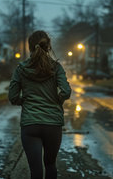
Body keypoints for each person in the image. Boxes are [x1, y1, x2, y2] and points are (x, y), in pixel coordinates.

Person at [8, 30, 71, 179]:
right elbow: (66, 92)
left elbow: (13, 96)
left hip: (30, 125)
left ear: (30, 47)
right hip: (53, 124)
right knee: (50, 165)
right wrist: (57, 101)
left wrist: (23, 101)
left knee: (36, 171)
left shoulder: (21, 69)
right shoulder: (56, 67)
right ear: (48, 46)